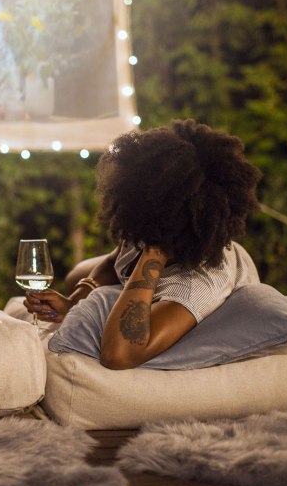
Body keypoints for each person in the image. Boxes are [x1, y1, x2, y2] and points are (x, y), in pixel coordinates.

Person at [24, 120, 263, 369]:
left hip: (196, 275)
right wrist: (74, 301)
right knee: (76, 276)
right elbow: (115, 258)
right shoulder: (148, 220)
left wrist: (155, 253)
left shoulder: (197, 283)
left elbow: (118, 355)